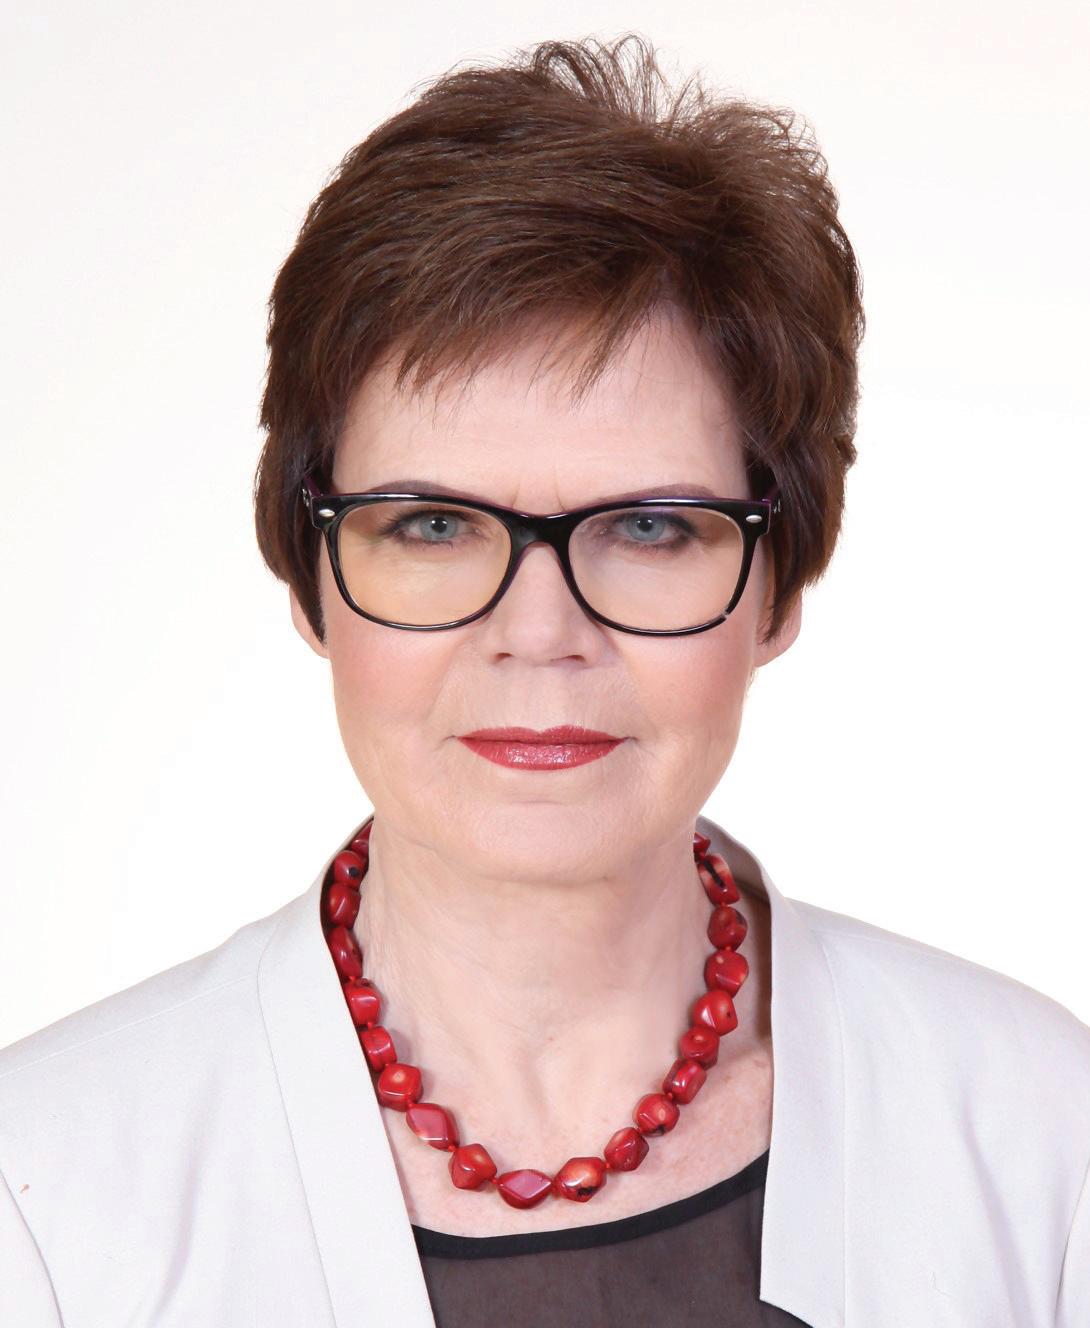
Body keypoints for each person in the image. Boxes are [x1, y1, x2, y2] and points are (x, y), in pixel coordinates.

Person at [1, 32, 1087, 1328]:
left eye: (649, 527)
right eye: (431, 525)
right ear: (307, 575)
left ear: (780, 585)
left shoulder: (1041, 1135)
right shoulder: (46, 1192)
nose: (538, 633)